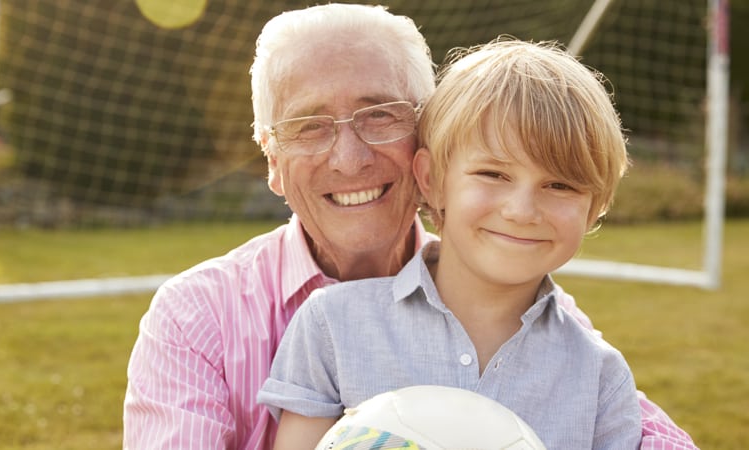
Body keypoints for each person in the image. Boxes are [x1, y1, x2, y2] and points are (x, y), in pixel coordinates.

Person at [123, 4, 698, 450]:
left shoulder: (559, 331)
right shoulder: (199, 318)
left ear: (425, 141)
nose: (349, 159)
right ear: (271, 160)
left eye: (379, 114)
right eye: (307, 126)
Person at [257, 38, 642, 449]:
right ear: (432, 181)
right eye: (493, 174)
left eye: (560, 185)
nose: (522, 210)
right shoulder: (332, 326)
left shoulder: (600, 377)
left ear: (596, 206)